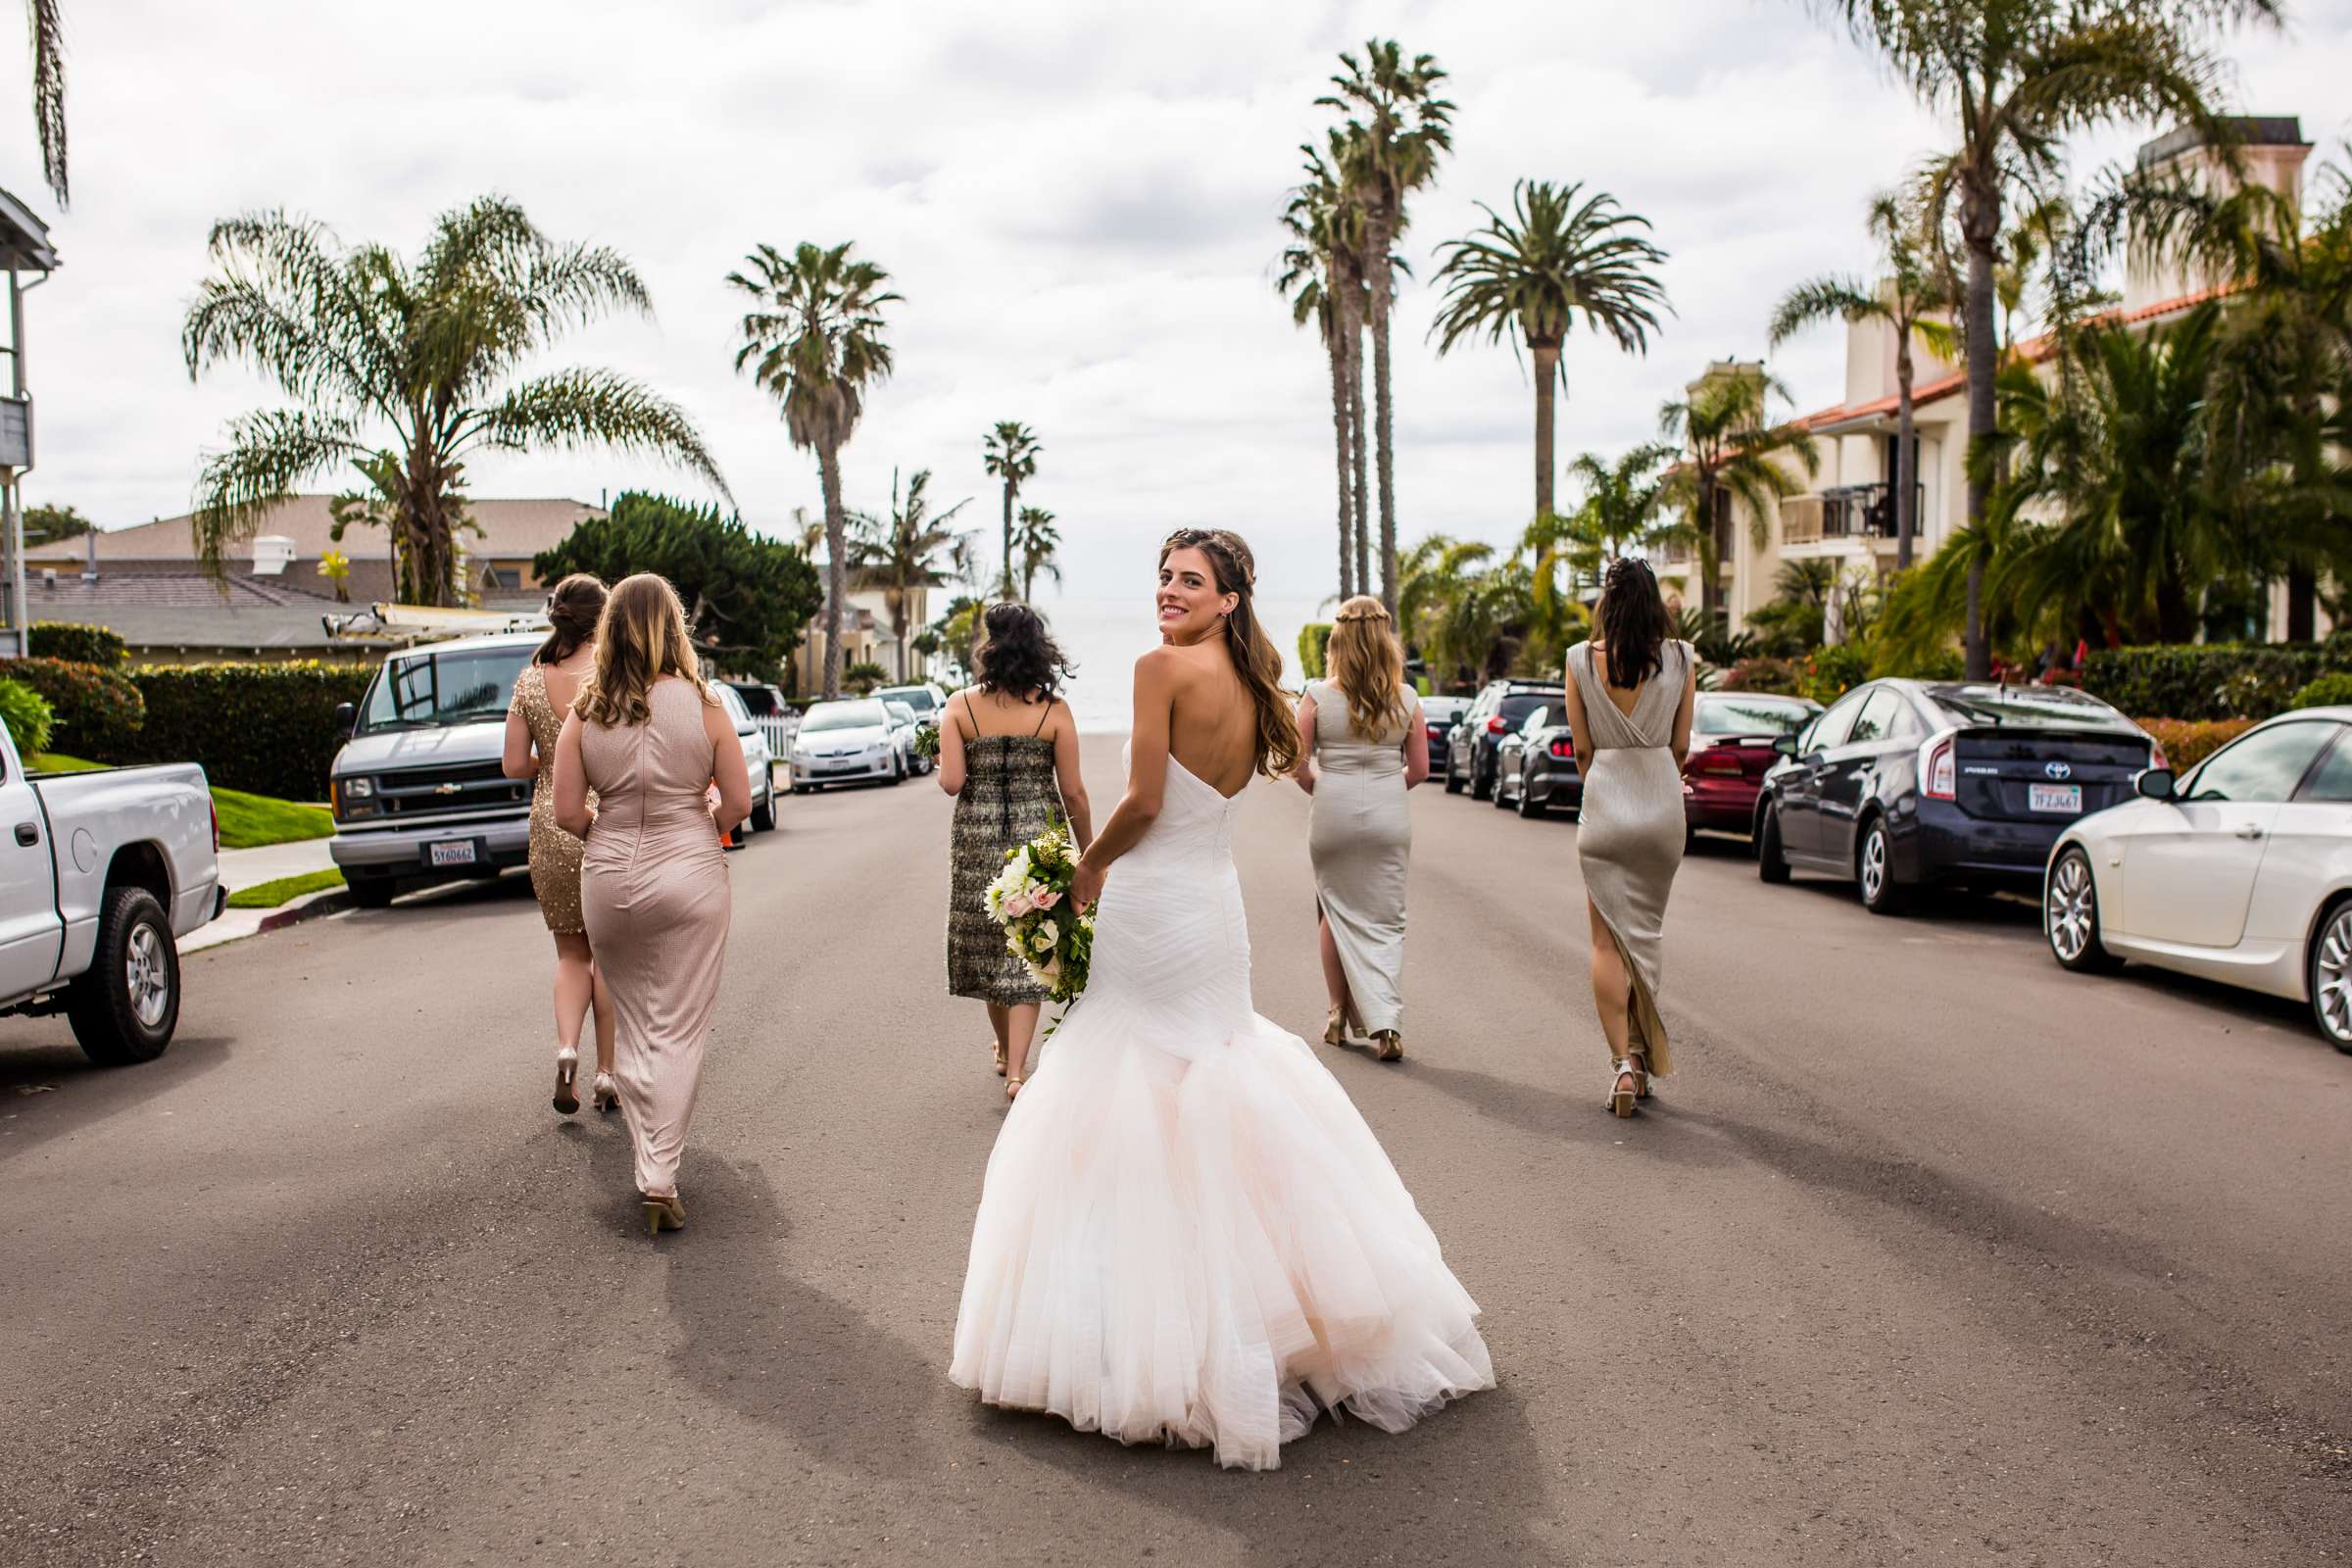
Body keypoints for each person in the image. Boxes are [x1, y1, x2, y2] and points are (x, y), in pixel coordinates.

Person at [950, 528, 1493, 1471]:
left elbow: (1147, 801)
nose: (1169, 591)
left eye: (1190, 581)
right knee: (1212, 1072)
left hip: (1158, 899)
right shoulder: (1256, 690)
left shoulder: (1161, 669)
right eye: (1164, 576)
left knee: (1130, 1086)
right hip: (1212, 905)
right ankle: (1258, 1316)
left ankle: (1141, 1337)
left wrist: (1082, 873)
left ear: (1229, 598)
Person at [553, 574, 750, 1235]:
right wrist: (705, 812)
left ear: (610, 630)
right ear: (674, 626)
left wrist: (607, 837)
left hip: (609, 877)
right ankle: (659, 1173)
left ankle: (649, 1156)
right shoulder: (706, 704)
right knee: (680, 1026)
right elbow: (740, 805)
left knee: (635, 1023)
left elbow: (565, 812)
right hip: (690, 870)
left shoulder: (585, 713)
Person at [1557, 558, 1695, 1118]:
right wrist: (1656, 779)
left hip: (1607, 800)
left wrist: (1603, 789)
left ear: (1606, 604)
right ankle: (1639, 1059)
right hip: (1661, 803)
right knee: (1645, 935)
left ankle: (1623, 1063)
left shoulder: (1576, 661)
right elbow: (1682, 746)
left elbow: (1583, 749)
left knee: (1606, 942)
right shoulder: (1683, 659)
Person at [937, 603, 1092, 1100]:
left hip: (978, 844)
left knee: (990, 951)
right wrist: (1089, 854)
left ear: (989, 647)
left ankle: (1005, 1050)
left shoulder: (959, 706)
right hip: (1036, 842)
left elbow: (951, 782)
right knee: (1031, 946)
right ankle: (1018, 1072)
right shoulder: (1054, 710)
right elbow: (1074, 792)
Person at [503, 573, 618, 1117]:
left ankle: (568, 1048)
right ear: (603, 616)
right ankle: (606, 1073)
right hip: (604, 819)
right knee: (610, 959)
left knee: (572, 953)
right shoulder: (613, 673)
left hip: (550, 825)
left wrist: (544, 764)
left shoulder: (530, 680)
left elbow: (510, 765)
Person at [1293, 595, 1426, 1060]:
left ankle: (1336, 1012)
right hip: (1390, 813)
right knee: (1386, 919)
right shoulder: (1407, 698)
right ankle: (1386, 1024)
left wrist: (1327, 790)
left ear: (1337, 639)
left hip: (1333, 809)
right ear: (1385, 640)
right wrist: (1386, 790)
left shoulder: (1315, 696)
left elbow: (1297, 763)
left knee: (1334, 907)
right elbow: (1422, 770)